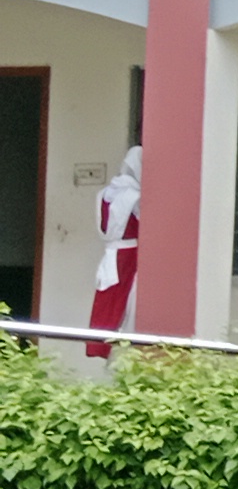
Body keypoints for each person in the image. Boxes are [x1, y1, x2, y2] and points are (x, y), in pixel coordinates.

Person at [84, 147, 138, 360]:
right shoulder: (134, 196)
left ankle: (101, 348)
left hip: (111, 253)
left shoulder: (105, 194)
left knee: (108, 302)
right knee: (122, 304)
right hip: (129, 255)